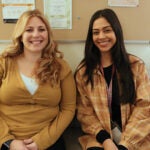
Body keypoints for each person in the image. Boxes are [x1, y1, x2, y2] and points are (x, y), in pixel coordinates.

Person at [0, 9, 76, 150]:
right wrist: (8, 141)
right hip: (8, 141)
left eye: (41, 29)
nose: (36, 35)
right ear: (20, 35)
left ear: (48, 34)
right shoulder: (3, 62)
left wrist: (42, 141)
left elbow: (68, 108)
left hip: (49, 140)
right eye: (29, 30)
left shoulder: (61, 67)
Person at [75, 8, 150, 150]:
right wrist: (106, 140)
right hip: (99, 137)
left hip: (134, 137)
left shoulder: (136, 66)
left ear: (117, 31)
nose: (101, 36)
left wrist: (125, 145)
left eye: (107, 30)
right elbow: (84, 112)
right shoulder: (83, 71)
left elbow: (145, 108)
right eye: (96, 32)